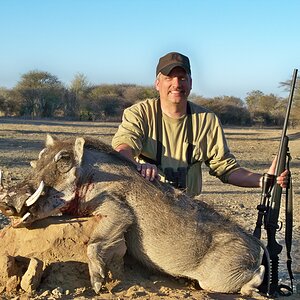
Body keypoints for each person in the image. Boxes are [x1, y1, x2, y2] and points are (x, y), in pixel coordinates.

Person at [112, 51, 288, 197]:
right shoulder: (139, 113)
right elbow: (123, 148)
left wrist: (265, 179)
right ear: (157, 84)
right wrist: (138, 166)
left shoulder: (207, 120)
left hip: (188, 207)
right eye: (169, 78)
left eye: (182, 78)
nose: (176, 84)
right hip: (147, 203)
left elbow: (225, 168)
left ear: (190, 83)